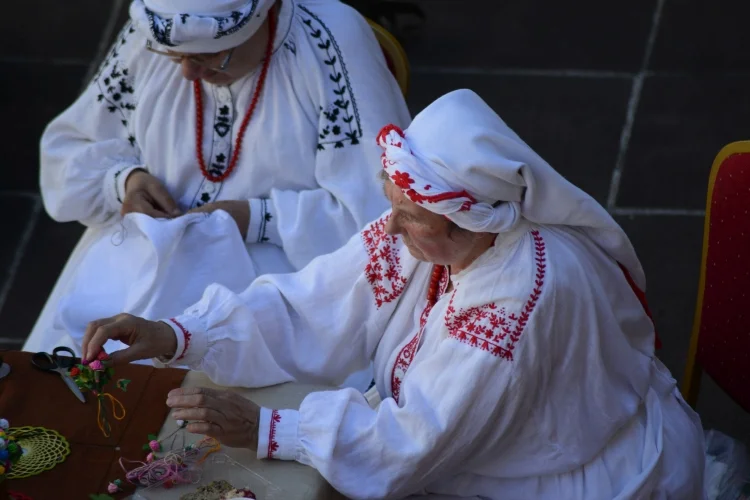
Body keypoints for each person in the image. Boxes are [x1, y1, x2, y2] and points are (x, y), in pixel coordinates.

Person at [82, 90, 706, 499]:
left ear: (468, 220)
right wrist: (175, 334)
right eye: (396, 208)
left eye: (410, 216)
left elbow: (419, 440)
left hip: (566, 476)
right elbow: (318, 300)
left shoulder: (517, 304)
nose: (392, 227)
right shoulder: (430, 232)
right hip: (476, 443)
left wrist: (272, 429)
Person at [24, 0, 410, 387]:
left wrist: (253, 218)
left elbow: (384, 213)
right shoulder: (156, 29)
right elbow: (69, 151)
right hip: (138, 255)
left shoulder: (328, 41)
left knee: (216, 413)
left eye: (212, 56)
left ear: (265, 17)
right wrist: (125, 182)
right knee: (58, 387)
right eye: (175, 57)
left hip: (281, 271)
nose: (190, 73)